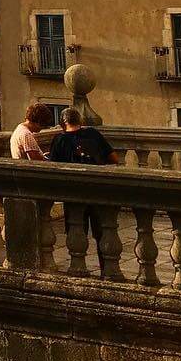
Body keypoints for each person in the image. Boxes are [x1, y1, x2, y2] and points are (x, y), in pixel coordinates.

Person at [48, 108, 119, 268]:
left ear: (62, 123)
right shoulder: (93, 134)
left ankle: (78, 268)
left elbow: (52, 167)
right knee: (102, 233)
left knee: (76, 232)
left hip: (74, 193)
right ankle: (108, 270)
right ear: (80, 121)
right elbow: (114, 158)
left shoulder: (59, 140)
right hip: (97, 190)